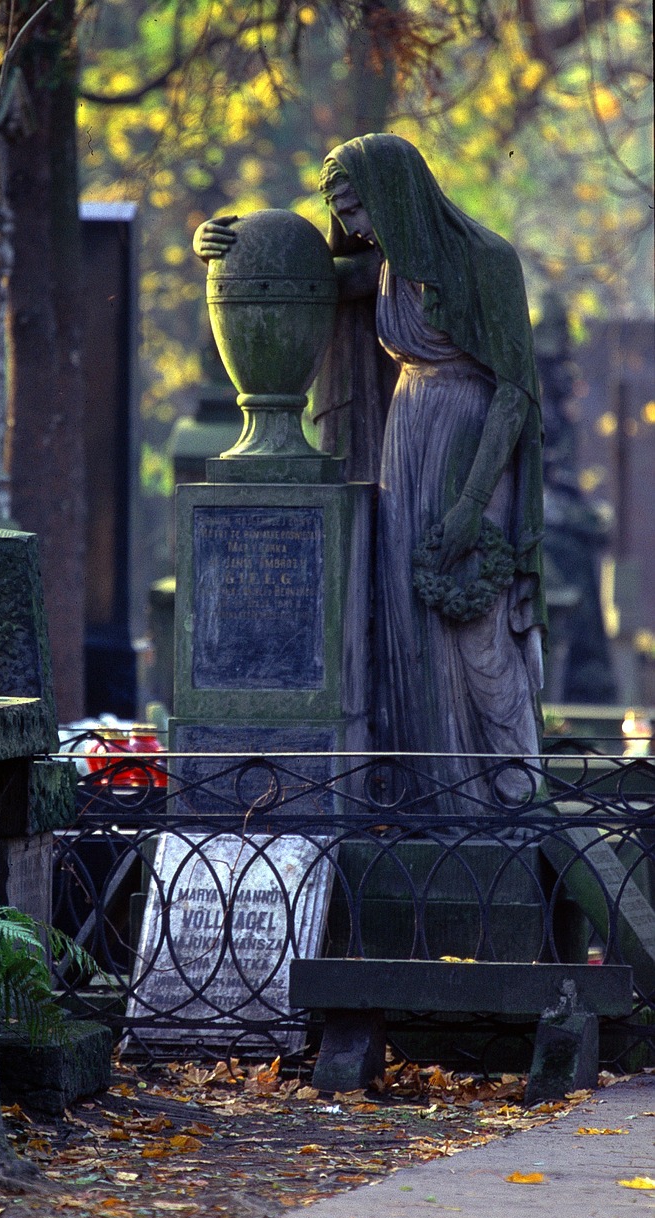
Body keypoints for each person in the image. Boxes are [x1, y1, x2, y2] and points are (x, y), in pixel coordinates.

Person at [195, 134, 545, 810]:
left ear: (396, 194)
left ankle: (509, 786)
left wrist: (472, 504)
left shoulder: (486, 260)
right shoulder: (384, 269)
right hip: (406, 435)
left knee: (473, 609)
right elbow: (297, 277)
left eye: (359, 208)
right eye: (344, 212)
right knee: (408, 618)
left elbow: (514, 392)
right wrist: (212, 245)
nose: (353, 227)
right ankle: (434, 794)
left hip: (472, 444)